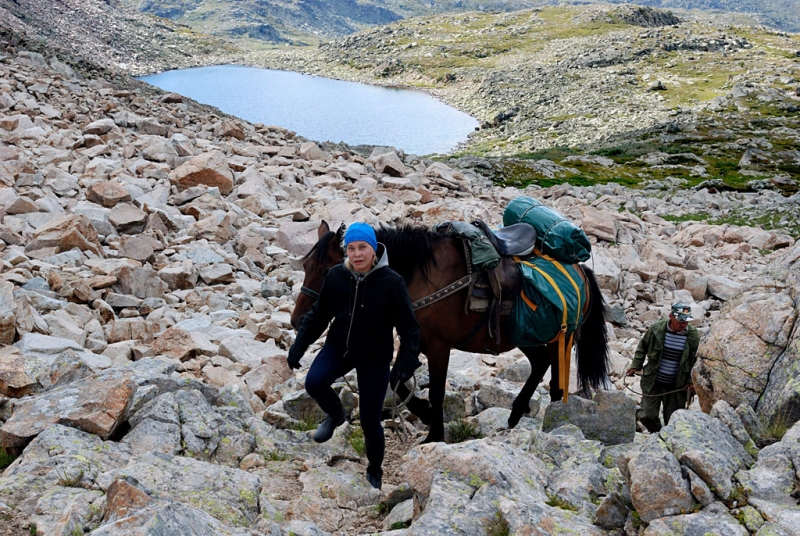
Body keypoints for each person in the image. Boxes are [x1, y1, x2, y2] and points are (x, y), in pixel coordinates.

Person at [287, 222, 422, 490]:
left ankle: (375, 470)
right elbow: (318, 316)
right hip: (340, 348)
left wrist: (405, 366)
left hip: (374, 357)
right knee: (314, 382)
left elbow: (410, 329)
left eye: (362, 247)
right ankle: (336, 414)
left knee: (371, 422)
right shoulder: (337, 276)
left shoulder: (392, 282)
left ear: (374, 250)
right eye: (351, 248)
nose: (357, 254)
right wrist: (298, 347)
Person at [625, 302, 700, 433]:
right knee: (646, 415)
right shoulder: (656, 329)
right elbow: (642, 347)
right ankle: (658, 433)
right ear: (671, 316)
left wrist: (691, 382)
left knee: (672, 419)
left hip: (677, 386)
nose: (684, 324)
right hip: (653, 381)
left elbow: (697, 361)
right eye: (680, 321)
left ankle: (668, 438)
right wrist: (635, 365)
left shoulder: (693, 336)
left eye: (686, 321)